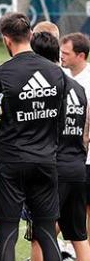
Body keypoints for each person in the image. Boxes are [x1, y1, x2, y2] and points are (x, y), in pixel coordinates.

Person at [0, 12, 70, 261]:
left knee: (7, 235)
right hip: (46, 162)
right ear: (30, 35)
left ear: (6, 39)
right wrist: (47, 148)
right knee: (47, 233)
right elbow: (60, 121)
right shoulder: (55, 72)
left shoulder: (0, 75)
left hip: (11, 162)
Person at [17, 31, 90, 261]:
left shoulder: (49, 87)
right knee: (79, 236)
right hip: (78, 167)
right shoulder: (78, 88)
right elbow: (86, 131)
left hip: (53, 169)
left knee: (40, 236)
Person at [60, 33, 90, 233]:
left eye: (66, 53)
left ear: (81, 56)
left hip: (85, 157)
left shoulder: (87, 81)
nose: (61, 56)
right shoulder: (61, 77)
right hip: (68, 157)